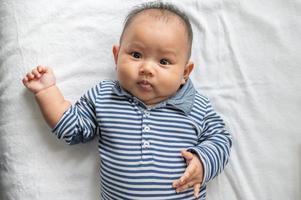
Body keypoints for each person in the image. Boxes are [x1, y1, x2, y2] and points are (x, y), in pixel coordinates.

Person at [22, 1, 232, 199]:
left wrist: (204, 163)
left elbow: (221, 139)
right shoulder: (104, 97)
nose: (147, 68)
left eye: (164, 61)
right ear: (117, 56)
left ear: (185, 72)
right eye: (136, 55)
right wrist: (46, 91)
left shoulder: (197, 106)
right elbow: (71, 129)